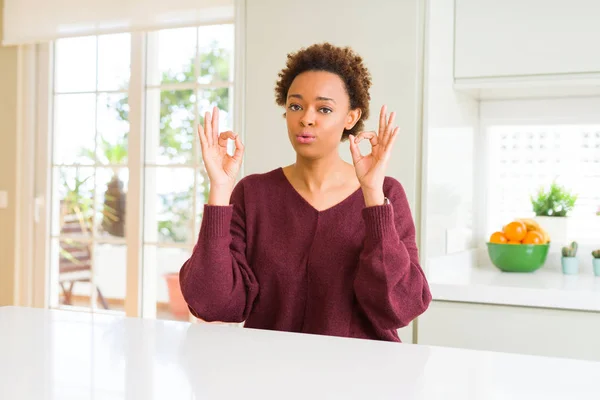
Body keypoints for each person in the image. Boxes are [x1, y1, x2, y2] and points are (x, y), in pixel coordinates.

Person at [179, 42, 431, 342]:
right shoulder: (253, 193)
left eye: (324, 109)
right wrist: (220, 190)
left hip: (362, 380)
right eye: (296, 106)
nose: (306, 118)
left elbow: (399, 308)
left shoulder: (386, 192)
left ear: (350, 118)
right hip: (272, 376)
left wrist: (373, 196)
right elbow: (214, 303)